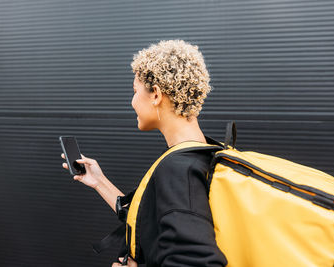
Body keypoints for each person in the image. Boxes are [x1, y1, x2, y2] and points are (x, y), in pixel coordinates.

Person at [61, 40, 227, 266]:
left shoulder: (178, 170)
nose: (132, 101)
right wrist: (99, 182)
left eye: (135, 91)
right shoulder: (204, 153)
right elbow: (151, 218)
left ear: (156, 95)